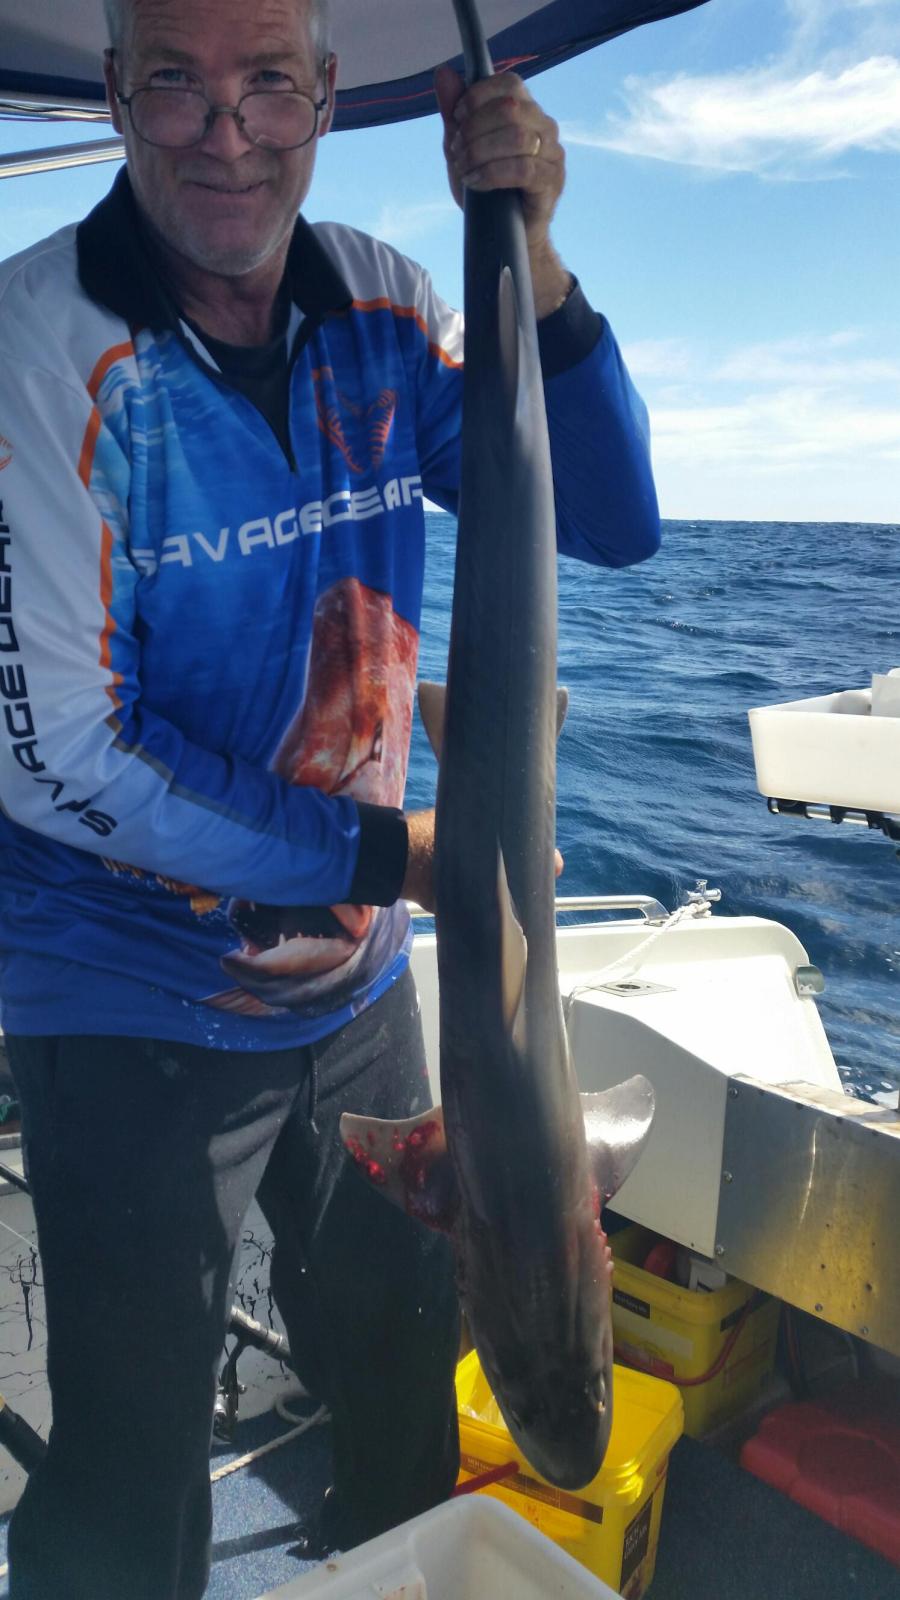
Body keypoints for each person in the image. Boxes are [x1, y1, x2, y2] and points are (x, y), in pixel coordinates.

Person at [0, 0, 660, 1594]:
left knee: (399, 1381)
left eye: (270, 84)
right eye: (178, 84)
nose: (227, 133)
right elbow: (64, 754)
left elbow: (612, 518)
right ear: (116, 93)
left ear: (324, 95)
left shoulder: (391, 303)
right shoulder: (33, 354)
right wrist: (393, 850)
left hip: (360, 982)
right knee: (131, 1465)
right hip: (128, 991)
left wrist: (536, 263)